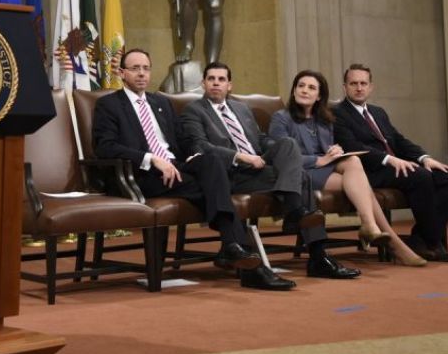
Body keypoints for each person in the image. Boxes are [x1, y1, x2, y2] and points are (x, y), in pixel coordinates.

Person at [92, 49, 265, 286]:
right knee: (213, 188)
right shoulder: (109, 105)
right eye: (134, 68)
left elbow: (181, 140)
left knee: (211, 162)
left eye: (146, 68)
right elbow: (105, 147)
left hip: (176, 167)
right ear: (122, 73)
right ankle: (235, 248)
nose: (141, 74)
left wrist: (193, 156)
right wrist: (150, 158)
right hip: (139, 174)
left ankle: (233, 248)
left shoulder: (160, 102)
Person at [180, 62, 361, 287]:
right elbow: (200, 147)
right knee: (301, 177)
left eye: (221, 79)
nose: (216, 83)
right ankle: (310, 242)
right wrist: (242, 157)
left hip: (256, 167)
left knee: (288, 146)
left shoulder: (241, 109)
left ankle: (312, 245)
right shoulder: (194, 110)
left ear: (229, 85)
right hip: (229, 173)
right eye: (211, 79)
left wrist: (276, 149)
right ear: (203, 83)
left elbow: (260, 139)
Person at [269, 70, 426, 266]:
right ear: (293, 91)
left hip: (324, 168)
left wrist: (335, 151)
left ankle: (370, 225)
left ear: (319, 96)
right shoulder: (281, 118)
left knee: (352, 161)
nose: (305, 90)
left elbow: (326, 151)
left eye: (311, 88)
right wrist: (319, 161)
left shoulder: (324, 120)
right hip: (300, 173)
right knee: (363, 189)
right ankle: (390, 241)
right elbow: (280, 155)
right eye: (300, 86)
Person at [334, 64, 448, 262]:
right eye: (353, 83)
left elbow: (398, 140)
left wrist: (424, 158)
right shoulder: (337, 113)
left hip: (396, 167)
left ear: (371, 87)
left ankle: (420, 239)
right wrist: (389, 159)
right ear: (345, 87)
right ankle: (432, 243)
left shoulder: (378, 112)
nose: (359, 88)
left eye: (363, 83)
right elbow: (351, 146)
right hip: (369, 171)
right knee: (421, 176)